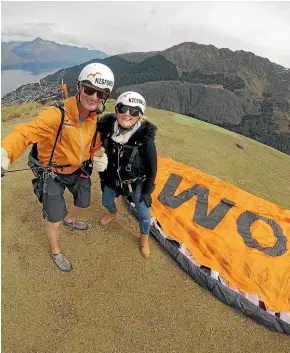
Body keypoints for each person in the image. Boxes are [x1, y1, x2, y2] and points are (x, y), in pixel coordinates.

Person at [1, 62, 113, 272]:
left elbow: (92, 146)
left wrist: (99, 156)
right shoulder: (57, 115)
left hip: (77, 170)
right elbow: (25, 132)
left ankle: (70, 219)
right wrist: (5, 151)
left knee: (84, 201)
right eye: (90, 90)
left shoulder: (95, 121)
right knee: (54, 218)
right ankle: (56, 252)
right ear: (79, 87)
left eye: (101, 94)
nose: (94, 97)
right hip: (52, 173)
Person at [96, 91, 157, 258]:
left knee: (144, 215)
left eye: (134, 111)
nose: (127, 114)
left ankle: (144, 239)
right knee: (106, 201)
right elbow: (91, 143)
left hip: (136, 182)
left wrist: (146, 192)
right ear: (116, 110)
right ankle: (113, 212)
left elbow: (152, 169)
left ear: (140, 116)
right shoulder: (106, 130)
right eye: (123, 108)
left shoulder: (145, 140)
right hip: (112, 177)